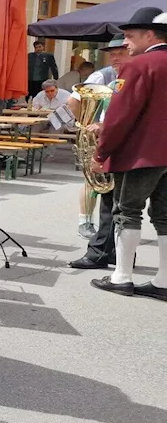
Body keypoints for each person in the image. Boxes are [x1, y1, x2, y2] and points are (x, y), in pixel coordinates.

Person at [91, 8, 167, 301]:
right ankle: (162, 280)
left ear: (150, 35)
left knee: (127, 212)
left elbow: (120, 117)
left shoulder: (138, 65)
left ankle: (121, 276)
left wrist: (102, 152)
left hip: (141, 155)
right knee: (165, 217)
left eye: (130, 36)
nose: (126, 42)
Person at [69, 37, 132, 265]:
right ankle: (115, 254)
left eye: (121, 51)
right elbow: (73, 102)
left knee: (118, 206)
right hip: (115, 143)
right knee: (114, 204)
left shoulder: (132, 77)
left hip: (124, 146)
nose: (115, 57)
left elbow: (128, 115)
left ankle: (103, 255)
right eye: (112, 53)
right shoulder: (113, 78)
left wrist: (104, 128)